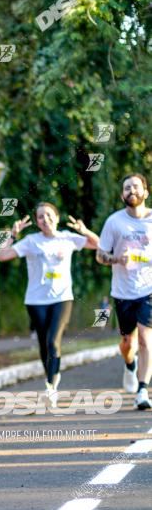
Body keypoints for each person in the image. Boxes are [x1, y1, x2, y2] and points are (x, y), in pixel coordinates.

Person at [0, 202, 99, 407]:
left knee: (53, 341)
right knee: (44, 343)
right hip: (35, 300)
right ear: (37, 222)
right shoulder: (31, 241)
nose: (45, 219)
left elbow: (99, 244)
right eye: (41, 216)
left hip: (62, 298)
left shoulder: (67, 238)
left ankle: (50, 387)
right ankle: (52, 376)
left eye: (49, 215)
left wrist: (84, 230)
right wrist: (12, 234)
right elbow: (2, 255)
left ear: (57, 218)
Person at [96, 173, 152, 409]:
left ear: (145, 192)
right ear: (122, 195)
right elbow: (100, 255)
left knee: (145, 339)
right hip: (122, 291)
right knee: (127, 343)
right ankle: (129, 364)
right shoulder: (114, 222)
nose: (132, 191)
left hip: (148, 289)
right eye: (127, 188)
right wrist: (117, 258)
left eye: (136, 187)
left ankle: (142, 391)